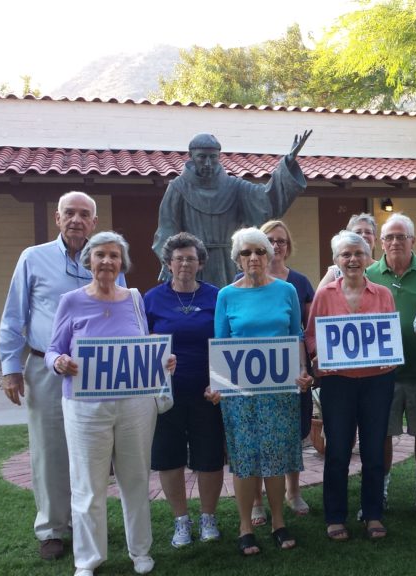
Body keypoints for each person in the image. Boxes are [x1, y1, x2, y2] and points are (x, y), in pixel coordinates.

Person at [0, 191, 119, 561]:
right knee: (50, 449)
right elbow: (13, 315)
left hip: (96, 370)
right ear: (57, 218)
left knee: (92, 449)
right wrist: (11, 368)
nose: (76, 220)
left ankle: (86, 522)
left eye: (84, 214)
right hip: (44, 367)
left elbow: (120, 312)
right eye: (70, 213)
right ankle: (52, 528)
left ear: (94, 222)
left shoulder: (106, 257)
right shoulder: (33, 258)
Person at [45, 231, 174, 576]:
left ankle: (141, 552)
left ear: (122, 263)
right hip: (85, 407)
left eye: (114, 256)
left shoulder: (134, 299)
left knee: (135, 480)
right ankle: (88, 559)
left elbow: (144, 345)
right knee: (88, 485)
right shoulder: (71, 301)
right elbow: (53, 348)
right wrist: (59, 363)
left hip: (135, 405)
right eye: (100, 254)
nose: (107, 261)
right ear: (88, 260)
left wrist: (161, 361)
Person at [207, 227, 312, 555]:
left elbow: (296, 335)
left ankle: (279, 521)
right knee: (245, 459)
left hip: (280, 392)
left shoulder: (286, 291)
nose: (254, 258)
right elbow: (222, 344)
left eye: (260, 251)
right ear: (237, 258)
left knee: (277, 458)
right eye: (246, 252)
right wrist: (216, 383)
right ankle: (245, 526)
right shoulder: (226, 295)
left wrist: (304, 372)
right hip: (240, 394)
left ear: (270, 255)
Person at [305, 231, 397, 541]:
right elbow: (311, 335)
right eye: (346, 254)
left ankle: (372, 515)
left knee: (373, 450)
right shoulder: (325, 294)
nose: (353, 259)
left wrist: (392, 357)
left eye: (358, 253)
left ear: (368, 257)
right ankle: (335, 516)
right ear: (336, 261)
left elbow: (390, 333)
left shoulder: (383, 293)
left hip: (376, 382)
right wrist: (320, 353)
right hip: (338, 384)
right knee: (338, 451)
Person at [143, 232, 224, 548]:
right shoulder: (151, 299)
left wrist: (221, 383)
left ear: (201, 263)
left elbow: (227, 341)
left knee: (210, 457)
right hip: (166, 396)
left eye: (191, 258)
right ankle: (181, 520)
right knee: (168, 457)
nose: (185, 263)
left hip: (208, 393)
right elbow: (142, 343)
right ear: (168, 263)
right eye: (178, 258)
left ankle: (208, 517)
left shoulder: (217, 296)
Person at [152, 130, 312, 288]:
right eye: (202, 157)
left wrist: (288, 165)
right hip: (195, 264)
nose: (208, 163)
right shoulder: (178, 188)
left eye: (213, 157)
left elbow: (265, 200)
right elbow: (166, 231)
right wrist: (168, 263)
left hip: (229, 265)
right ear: (191, 156)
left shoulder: (234, 187)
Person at [366, 213, 416, 519]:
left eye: (402, 236)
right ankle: (381, 490)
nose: (396, 242)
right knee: (382, 434)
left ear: (413, 240)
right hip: (381, 373)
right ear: (381, 242)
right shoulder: (369, 273)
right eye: (390, 237)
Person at [258, 220, 316, 520]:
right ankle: (257, 500)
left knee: (293, 431)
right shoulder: (244, 281)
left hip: (292, 368)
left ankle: (293, 491)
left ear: (288, 245)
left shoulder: (300, 283)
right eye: (270, 240)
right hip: (255, 373)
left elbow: (307, 331)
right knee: (256, 433)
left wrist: (309, 367)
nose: (276, 245)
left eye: (281, 240)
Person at [318, 213, 378, 287]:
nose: (363, 235)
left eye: (368, 232)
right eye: (358, 232)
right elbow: (319, 296)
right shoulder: (336, 272)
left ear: (375, 240)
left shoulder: (382, 270)